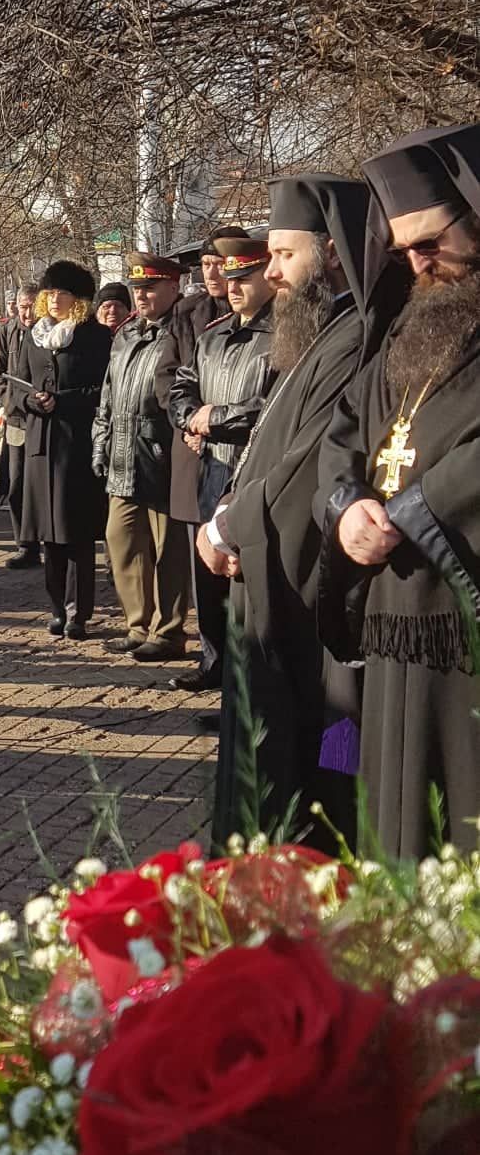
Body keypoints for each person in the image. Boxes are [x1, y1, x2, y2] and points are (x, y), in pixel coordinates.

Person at [314, 125, 480, 855]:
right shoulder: (412, 321)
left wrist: (418, 509)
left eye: (430, 243)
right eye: (404, 249)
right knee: (392, 821)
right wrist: (347, 504)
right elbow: (345, 427)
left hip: (459, 614)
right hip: (390, 613)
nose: (417, 263)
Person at [197, 176, 371, 843]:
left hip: (307, 605)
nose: (269, 272)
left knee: (317, 766)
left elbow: (307, 469)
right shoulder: (316, 335)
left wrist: (227, 527)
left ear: (333, 254)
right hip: (268, 576)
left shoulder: (354, 338)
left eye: (283, 255)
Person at [164, 238, 276, 695]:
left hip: (255, 473)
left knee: (245, 583)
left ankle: (247, 686)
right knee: (208, 579)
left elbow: (274, 404)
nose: (232, 287)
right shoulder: (212, 336)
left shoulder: (284, 336)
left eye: (243, 278)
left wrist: (215, 419)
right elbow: (181, 387)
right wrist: (189, 416)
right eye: (229, 278)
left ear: (267, 276)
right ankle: (214, 665)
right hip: (211, 470)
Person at [92, 251, 190, 661]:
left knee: (169, 551)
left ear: (173, 287)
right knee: (121, 540)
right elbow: (108, 395)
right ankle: (138, 624)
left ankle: (167, 631)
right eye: (137, 288)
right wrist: (100, 442)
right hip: (122, 454)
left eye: (150, 287)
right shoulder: (126, 334)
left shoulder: (182, 331)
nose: (141, 295)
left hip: (161, 455)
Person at [19, 261, 111, 638]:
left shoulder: (94, 336)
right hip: (41, 444)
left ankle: (78, 612)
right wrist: (30, 401)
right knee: (49, 535)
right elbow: (17, 384)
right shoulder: (34, 336)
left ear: (79, 299)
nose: (55, 299)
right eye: (50, 293)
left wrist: (65, 400)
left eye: (63, 293)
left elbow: (103, 389)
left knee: (77, 533)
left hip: (76, 443)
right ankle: (56, 606)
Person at [0, 282, 42, 565]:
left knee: (42, 486)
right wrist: (7, 400)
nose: (28, 313)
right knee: (17, 484)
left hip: (44, 418)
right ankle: (25, 545)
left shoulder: (51, 331)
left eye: (33, 307)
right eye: (23, 307)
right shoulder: (7, 331)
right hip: (16, 419)